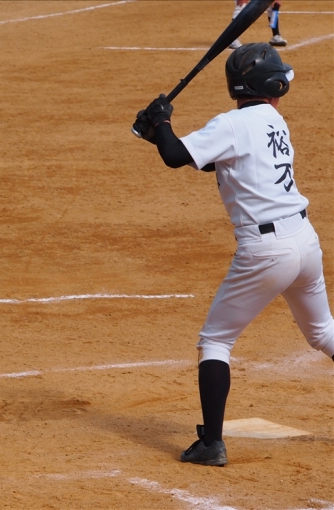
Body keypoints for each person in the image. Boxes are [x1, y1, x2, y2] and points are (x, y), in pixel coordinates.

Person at [133, 43, 334, 466]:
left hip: (266, 251)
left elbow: (176, 157)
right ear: (272, 87)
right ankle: (210, 440)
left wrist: (162, 122)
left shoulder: (231, 123)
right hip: (304, 239)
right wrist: (159, 134)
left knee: (216, 340)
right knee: (323, 333)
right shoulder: (273, 120)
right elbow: (205, 159)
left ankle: (212, 444)